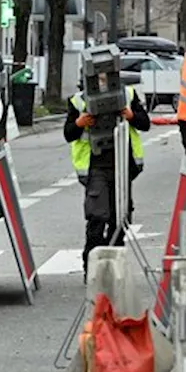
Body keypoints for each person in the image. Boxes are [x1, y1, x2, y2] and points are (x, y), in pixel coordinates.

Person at [63, 79, 151, 280]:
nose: (103, 82)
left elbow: (145, 123)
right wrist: (79, 123)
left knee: (120, 217)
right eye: (99, 78)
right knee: (98, 216)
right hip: (96, 168)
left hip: (122, 164)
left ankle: (114, 266)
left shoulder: (128, 95)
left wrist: (131, 116)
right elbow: (68, 133)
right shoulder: (78, 101)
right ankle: (92, 268)